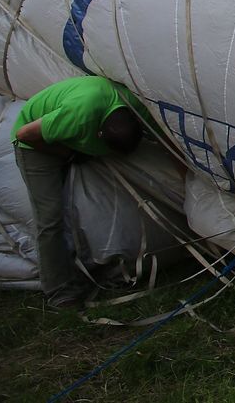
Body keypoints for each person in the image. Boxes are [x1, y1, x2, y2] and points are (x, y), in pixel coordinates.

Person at [11, 75, 147, 307]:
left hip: (73, 134)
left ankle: (91, 266)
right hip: (36, 145)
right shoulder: (78, 115)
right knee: (50, 217)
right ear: (97, 134)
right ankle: (58, 290)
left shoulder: (137, 110)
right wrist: (68, 155)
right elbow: (24, 134)